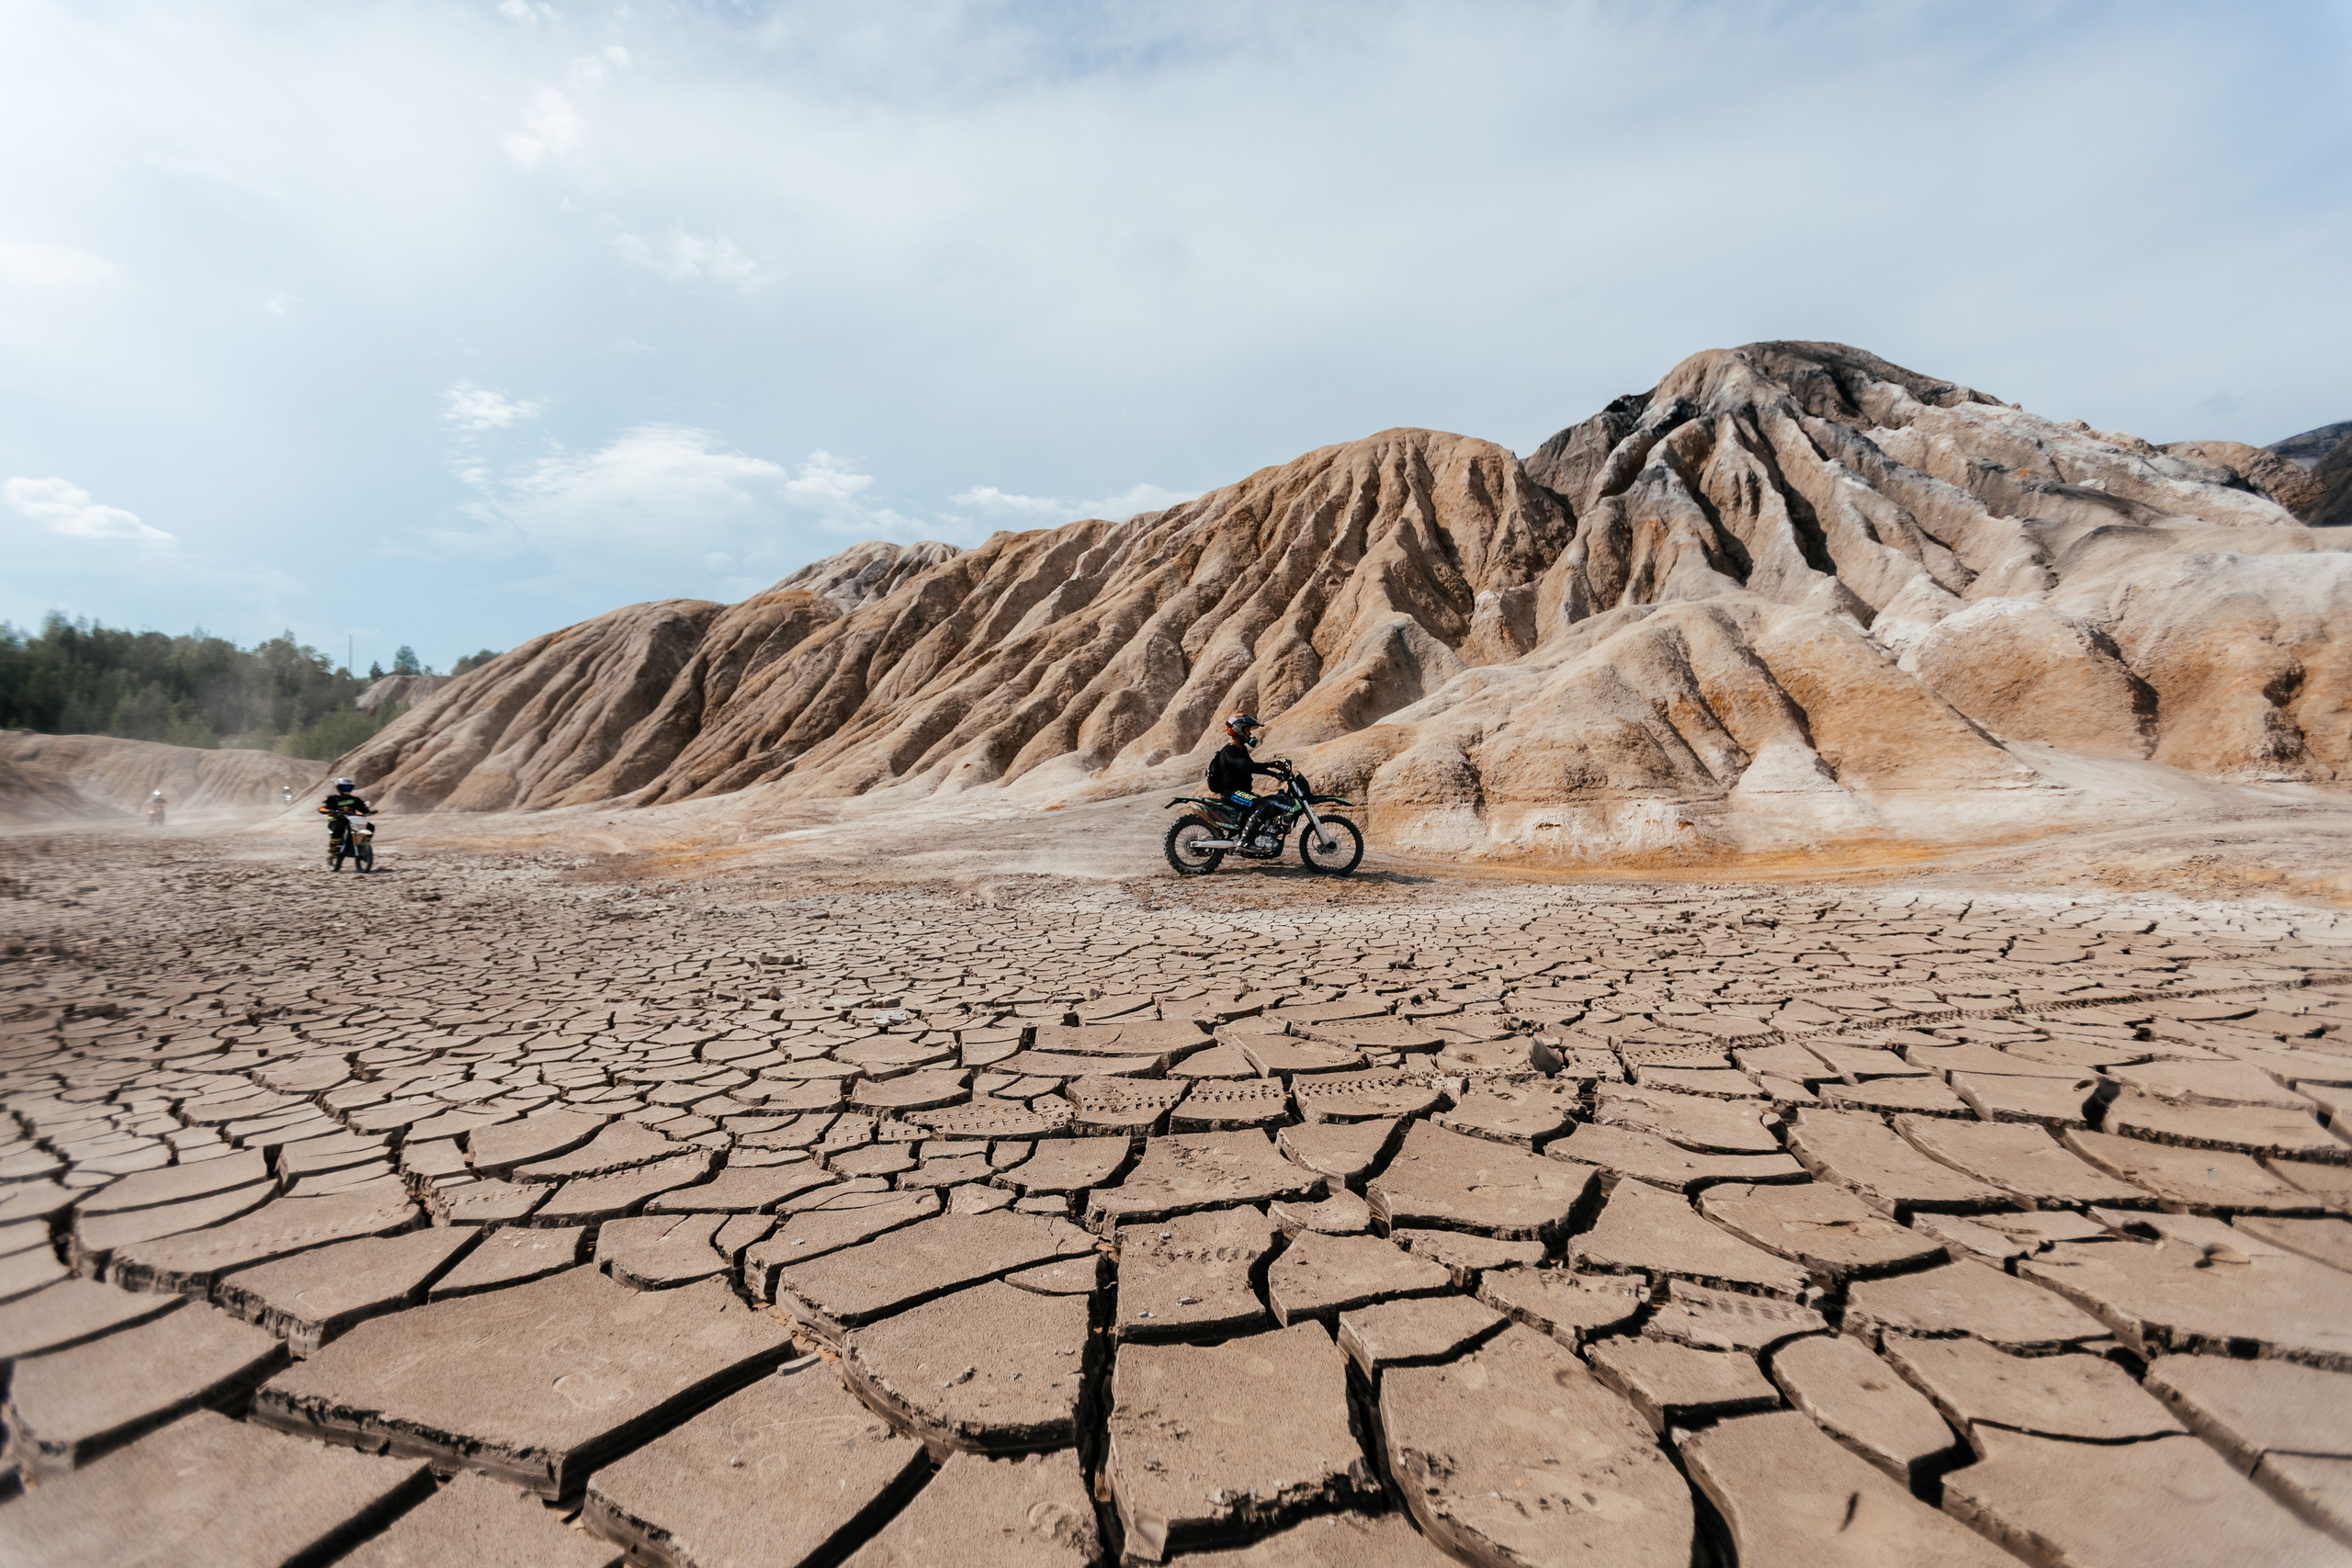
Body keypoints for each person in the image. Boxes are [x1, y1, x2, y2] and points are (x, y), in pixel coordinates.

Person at [1205, 713, 1287, 847]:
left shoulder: (1241, 749)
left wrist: (1274, 774)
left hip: (1240, 791)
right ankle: (1246, 841)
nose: (1250, 733)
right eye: (1247, 730)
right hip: (1232, 793)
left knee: (1267, 803)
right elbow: (1246, 766)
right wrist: (1271, 765)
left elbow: (1251, 767)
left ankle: (1255, 836)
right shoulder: (1229, 751)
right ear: (1238, 729)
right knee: (1264, 806)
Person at [318, 776, 370, 852]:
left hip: (352, 819)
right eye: (344, 787)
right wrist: (328, 811)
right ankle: (333, 846)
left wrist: (368, 812)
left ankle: (365, 846)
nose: (347, 789)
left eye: (349, 787)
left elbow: (363, 808)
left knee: (370, 826)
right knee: (339, 828)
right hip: (336, 819)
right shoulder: (331, 798)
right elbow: (321, 808)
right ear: (338, 788)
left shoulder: (355, 799)